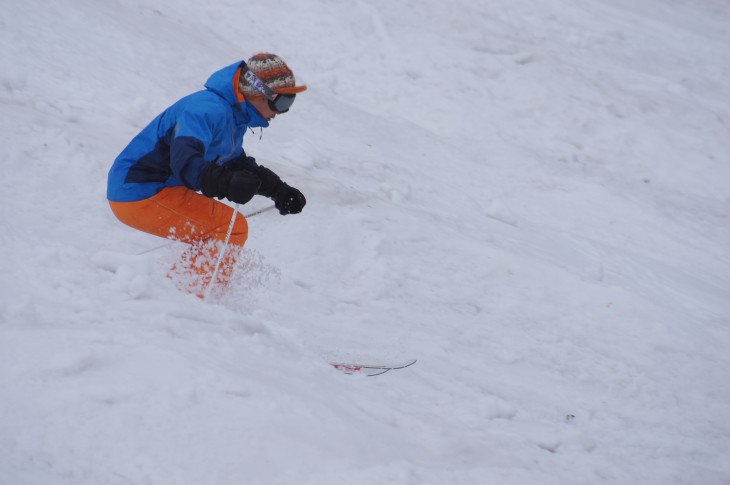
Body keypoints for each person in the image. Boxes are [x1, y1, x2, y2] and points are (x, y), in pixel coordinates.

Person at [106, 53, 307, 297]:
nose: (281, 113)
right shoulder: (207, 110)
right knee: (229, 227)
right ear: (257, 91)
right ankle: (187, 298)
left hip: (155, 188)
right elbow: (185, 160)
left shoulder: (231, 117)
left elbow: (236, 163)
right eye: (283, 103)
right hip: (138, 191)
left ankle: (176, 291)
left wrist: (278, 190)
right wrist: (225, 182)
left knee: (221, 229)